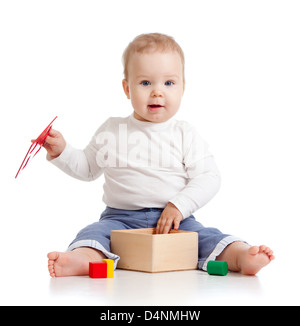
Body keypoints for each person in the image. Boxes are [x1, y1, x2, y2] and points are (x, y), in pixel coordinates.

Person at [47, 33, 274, 277]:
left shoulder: (184, 133)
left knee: (206, 238)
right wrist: (62, 151)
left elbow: (209, 177)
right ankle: (83, 260)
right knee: (94, 234)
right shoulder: (113, 130)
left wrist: (179, 206)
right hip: (119, 220)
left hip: (177, 221)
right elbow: (87, 168)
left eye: (168, 83)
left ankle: (240, 256)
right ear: (127, 88)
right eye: (145, 83)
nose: (157, 92)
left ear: (182, 88)